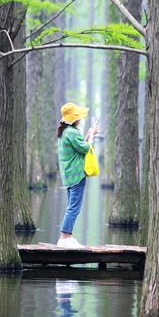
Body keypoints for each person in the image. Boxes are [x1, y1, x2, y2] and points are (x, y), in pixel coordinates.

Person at [56, 102, 99, 249]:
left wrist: (87, 135)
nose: (80, 118)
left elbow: (79, 146)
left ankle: (68, 236)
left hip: (69, 176)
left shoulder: (65, 132)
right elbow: (85, 148)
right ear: (74, 119)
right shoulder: (72, 133)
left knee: (72, 206)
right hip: (76, 176)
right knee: (74, 207)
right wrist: (92, 136)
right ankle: (64, 237)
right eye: (78, 116)